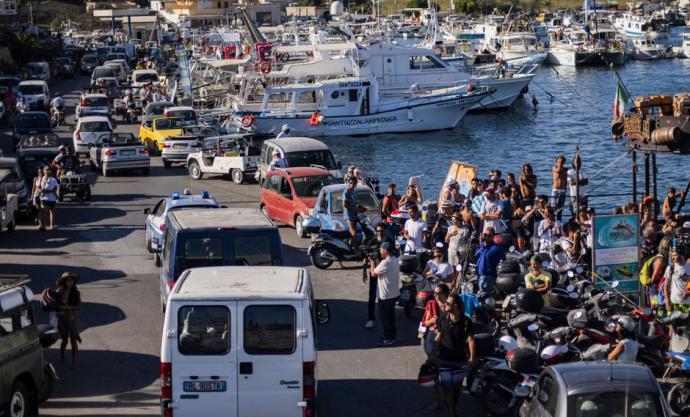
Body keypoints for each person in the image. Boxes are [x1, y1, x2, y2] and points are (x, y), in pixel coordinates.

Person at [428, 294, 476, 417]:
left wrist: (472, 357)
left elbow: (471, 339)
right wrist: (432, 355)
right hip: (444, 359)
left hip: (459, 361)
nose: (445, 305)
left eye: (448, 303)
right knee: (448, 388)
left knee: (456, 389)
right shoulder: (443, 317)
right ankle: (451, 412)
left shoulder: (466, 321)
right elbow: (439, 337)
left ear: (456, 306)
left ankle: (452, 406)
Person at [365, 223, 397, 329]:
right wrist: (369, 260)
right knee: (372, 296)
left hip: (386, 272)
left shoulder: (389, 241)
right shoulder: (372, 241)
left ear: (385, 231)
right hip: (375, 270)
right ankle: (370, 319)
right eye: (377, 231)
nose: (379, 233)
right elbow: (366, 253)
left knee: (386, 296)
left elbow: (395, 254)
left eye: (381, 231)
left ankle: (388, 319)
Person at [369, 242, 400, 346]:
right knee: (391, 317)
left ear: (386, 251)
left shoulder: (385, 263)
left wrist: (372, 263)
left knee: (385, 318)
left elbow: (373, 274)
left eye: (381, 249)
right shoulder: (395, 259)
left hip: (385, 296)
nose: (379, 251)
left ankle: (387, 338)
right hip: (394, 294)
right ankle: (392, 337)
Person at [55, 272, 82, 369]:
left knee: (74, 341)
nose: (71, 282)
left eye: (72, 280)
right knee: (65, 340)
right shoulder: (59, 292)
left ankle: (74, 363)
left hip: (72, 318)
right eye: (68, 280)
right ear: (65, 282)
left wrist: (69, 307)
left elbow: (79, 305)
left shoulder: (76, 292)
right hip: (62, 319)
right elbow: (54, 305)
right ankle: (62, 353)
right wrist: (60, 308)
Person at [422, 283, 450, 357]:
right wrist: (432, 321)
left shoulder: (450, 304)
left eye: (437, 293)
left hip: (446, 332)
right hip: (434, 331)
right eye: (434, 292)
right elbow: (425, 323)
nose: (434, 295)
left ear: (444, 294)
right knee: (430, 352)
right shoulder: (431, 304)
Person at [475, 227, 504, 292]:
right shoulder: (482, 245)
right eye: (485, 235)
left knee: (483, 294)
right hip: (479, 275)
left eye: (489, 235)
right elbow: (476, 255)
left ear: (493, 236)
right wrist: (481, 245)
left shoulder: (497, 247)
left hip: (489, 276)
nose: (486, 237)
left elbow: (503, 260)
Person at [664, 248, 690, 314]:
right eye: (672, 255)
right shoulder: (670, 267)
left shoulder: (688, 266)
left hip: (688, 303)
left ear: (681, 255)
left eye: (675, 255)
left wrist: (688, 293)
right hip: (674, 302)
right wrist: (667, 302)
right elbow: (666, 286)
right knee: (674, 323)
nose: (673, 257)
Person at [343, 176, 360, 252]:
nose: (352, 184)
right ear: (348, 183)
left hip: (355, 214)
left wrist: (361, 208)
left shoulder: (354, 192)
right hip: (349, 215)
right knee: (354, 232)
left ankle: (349, 248)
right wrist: (354, 209)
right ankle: (356, 249)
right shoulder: (346, 192)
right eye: (351, 183)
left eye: (354, 183)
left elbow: (355, 203)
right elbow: (345, 204)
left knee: (352, 234)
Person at [40, 166, 58, 231]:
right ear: (44, 171)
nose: (47, 171)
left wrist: (48, 191)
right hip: (44, 198)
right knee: (44, 211)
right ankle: (43, 226)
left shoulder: (53, 179)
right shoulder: (42, 179)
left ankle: (52, 226)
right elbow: (40, 187)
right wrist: (42, 191)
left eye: (48, 170)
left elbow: (55, 188)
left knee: (52, 212)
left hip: (52, 198)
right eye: (46, 170)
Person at [552, 155, 567, 221]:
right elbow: (558, 170)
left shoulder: (566, 170)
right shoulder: (554, 168)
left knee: (560, 209)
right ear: (557, 162)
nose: (560, 163)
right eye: (559, 161)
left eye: (562, 162)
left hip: (563, 190)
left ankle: (559, 223)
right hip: (556, 190)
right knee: (554, 209)